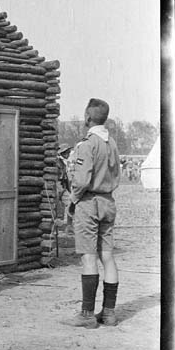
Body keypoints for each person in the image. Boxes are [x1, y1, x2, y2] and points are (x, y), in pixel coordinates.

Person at [68, 98, 121, 328]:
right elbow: (117, 175)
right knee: (107, 256)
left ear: (88, 118)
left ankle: (87, 314)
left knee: (88, 257)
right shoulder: (113, 144)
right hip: (108, 202)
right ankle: (109, 313)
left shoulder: (86, 144)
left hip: (89, 202)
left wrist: (73, 200)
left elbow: (81, 181)